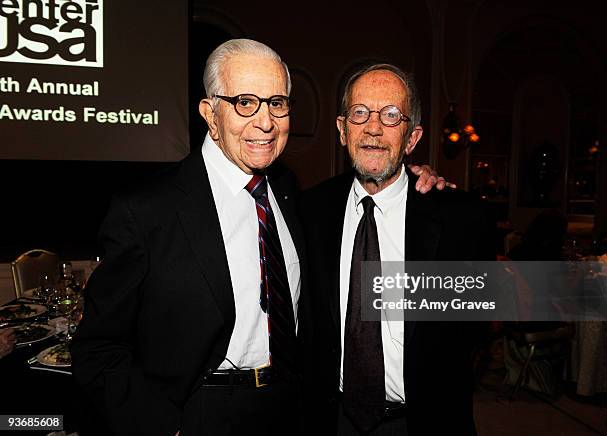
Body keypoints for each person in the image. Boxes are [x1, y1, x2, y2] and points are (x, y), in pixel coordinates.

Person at [71, 40, 446, 436]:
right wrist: (164, 426)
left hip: (294, 409)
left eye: (277, 103)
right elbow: (97, 349)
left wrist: (423, 188)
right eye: (244, 102)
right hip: (198, 412)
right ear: (209, 115)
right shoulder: (147, 210)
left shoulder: (292, 194)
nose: (265, 121)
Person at [300, 64, 492, 435]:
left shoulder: (460, 220)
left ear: (412, 138)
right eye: (360, 113)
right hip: (331, 420)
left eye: (391, 115)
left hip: (422, 423)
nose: (373, 127)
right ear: (342, 130)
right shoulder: (309, 212)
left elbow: (474, 332)